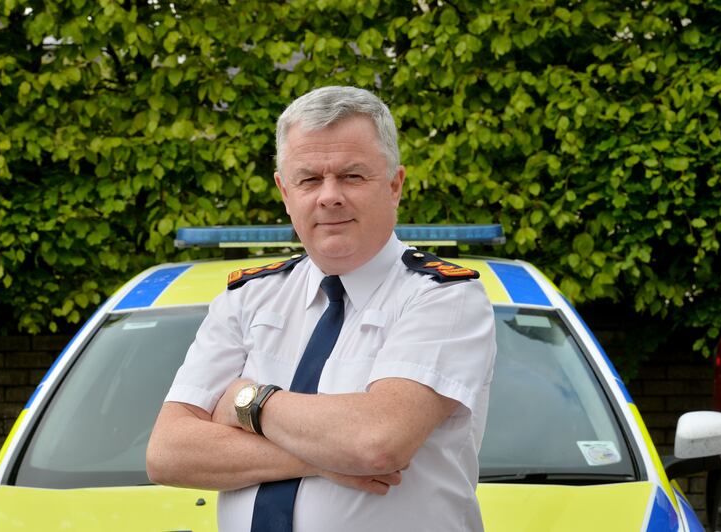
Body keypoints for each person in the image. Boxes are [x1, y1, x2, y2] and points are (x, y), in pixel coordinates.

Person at [146, 85, 496, 531]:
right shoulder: (248, 298)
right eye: (309, 180)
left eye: (352, 176)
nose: (329, 196)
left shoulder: (443, 297)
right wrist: (323, 459)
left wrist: (246, 401)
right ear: (284, 191)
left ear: (394, 185)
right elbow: (168, 452)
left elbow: (376, 442)